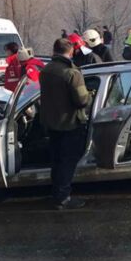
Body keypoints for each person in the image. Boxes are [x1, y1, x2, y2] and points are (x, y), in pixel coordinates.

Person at [39, 38, 92, 210]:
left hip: (51, 123)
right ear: (71, 52)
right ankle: (63, 198)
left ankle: (56, 193)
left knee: (56, 161)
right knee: (67, 162)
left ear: (54, 51)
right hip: (70, 124)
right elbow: (82, 100)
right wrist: (90, 95)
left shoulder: (46, 70)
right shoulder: (72, 73)